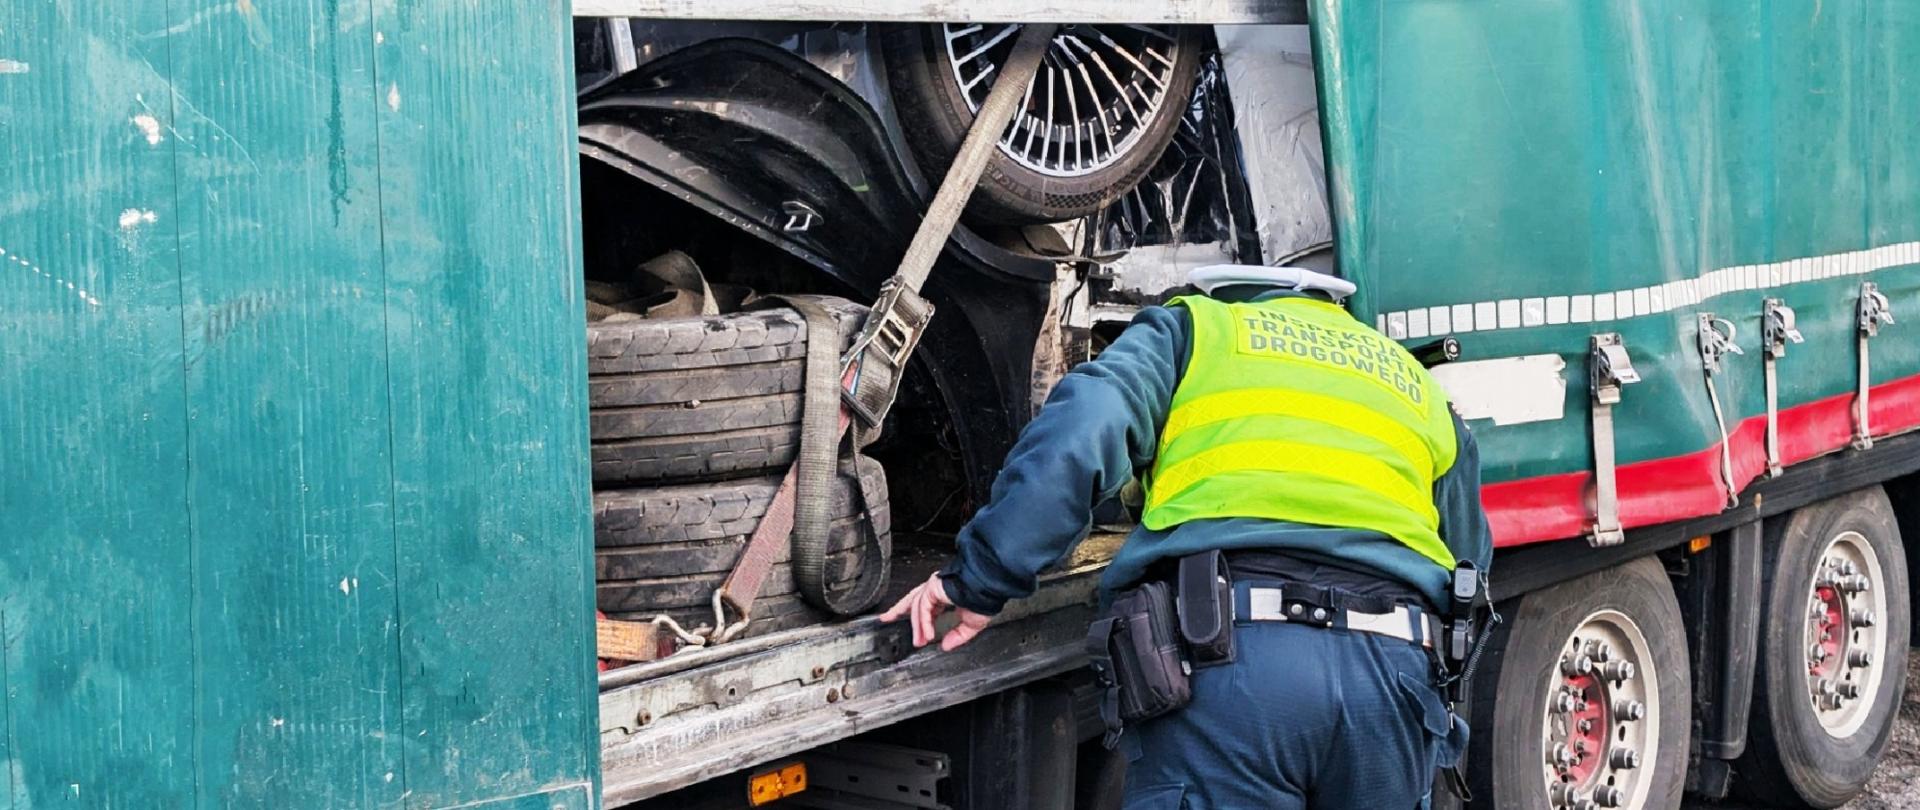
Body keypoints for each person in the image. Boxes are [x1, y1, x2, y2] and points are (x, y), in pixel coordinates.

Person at [882, 264, 1491, 809]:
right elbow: (1469, 565)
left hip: (1230, 668)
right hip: (1394, 676)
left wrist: (981, 580)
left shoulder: (1198, 328)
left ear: (1225, 292)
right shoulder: (1408, 376)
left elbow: (1083, 430)